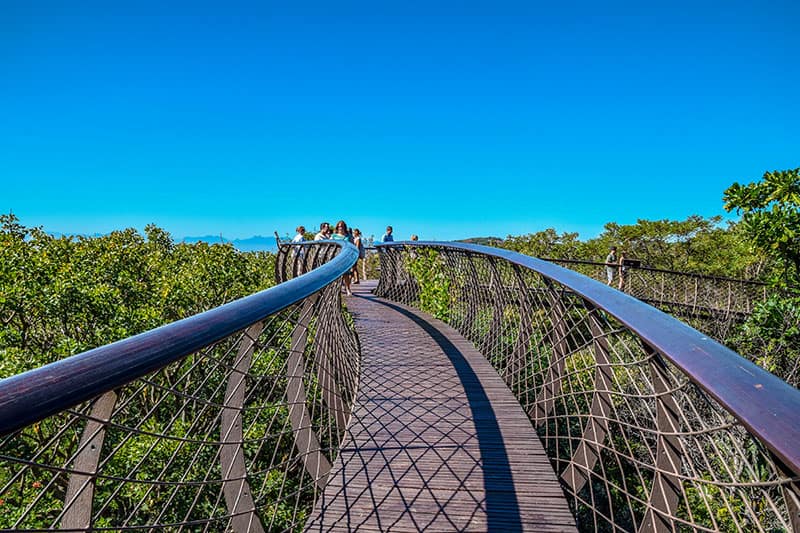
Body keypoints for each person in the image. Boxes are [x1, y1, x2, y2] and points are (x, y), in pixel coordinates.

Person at [331, 220, 354, 295]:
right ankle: (337, 289)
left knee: (346, 273)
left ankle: (348, 288)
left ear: (344, 227)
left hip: (345, 256)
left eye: (342, 226)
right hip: (337, 256)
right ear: (337, 227)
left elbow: (352, 245)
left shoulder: (348, 235)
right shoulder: (334, 236)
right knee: (336, 273)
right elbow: (330, 245)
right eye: (339, 226)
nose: (341, 227)